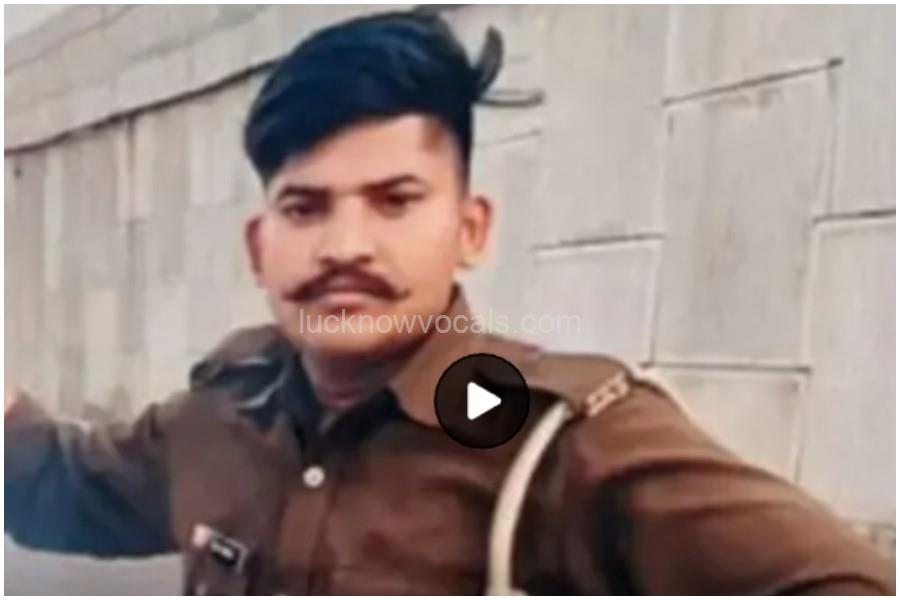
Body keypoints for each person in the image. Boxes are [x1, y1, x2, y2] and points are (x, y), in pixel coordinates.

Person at [5, 9, 893, 595]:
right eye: (305, 208)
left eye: (395, 201)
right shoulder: (226, 412)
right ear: (258, 245)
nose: (345, 246)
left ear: (470, 228)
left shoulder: (537, 436)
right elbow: (60, 487)